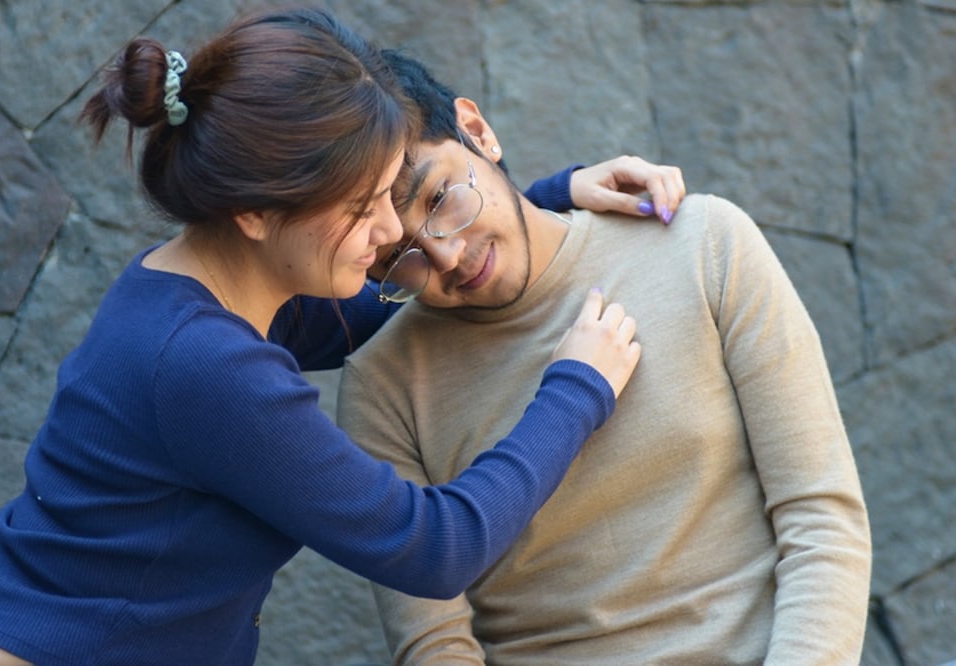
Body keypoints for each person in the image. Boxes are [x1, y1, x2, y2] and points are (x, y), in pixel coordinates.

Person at [0, 8, 696, 665]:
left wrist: (539, 204)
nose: (391, 229)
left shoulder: (200, 292)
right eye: (362, 205)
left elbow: (390, 304)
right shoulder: (205, 366)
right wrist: (576, 387)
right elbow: (437, 548)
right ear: (256, 213)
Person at [337, 49, 872, 665]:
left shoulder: (703, 245)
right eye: (400, 256)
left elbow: (820, 518)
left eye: (440, 200)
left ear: (478, 132)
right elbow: (435, 646)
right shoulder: (383, 386)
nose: (447, 256)